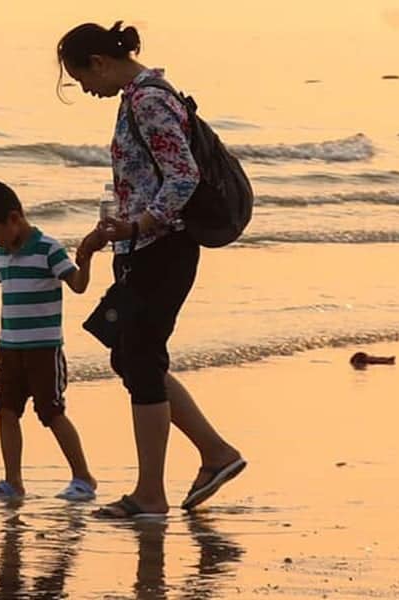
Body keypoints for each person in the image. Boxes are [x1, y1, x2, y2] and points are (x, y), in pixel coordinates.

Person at [56, 21, 246, 518]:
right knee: (131, 356)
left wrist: (140, 224)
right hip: (146, 246)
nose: (87, 91)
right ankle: (216, 454)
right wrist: (112, 230)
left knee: (140, 360)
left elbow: (184, 175)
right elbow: (145, 176)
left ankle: (150, 495)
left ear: (99, 62)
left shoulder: (148, 100)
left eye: (82, 80)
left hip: (165, 248)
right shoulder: (138, 98)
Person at [0, 178, 105, 500]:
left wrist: (85, 261)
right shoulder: (1, 253)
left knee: (52, 412)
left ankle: (83, 477)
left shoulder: (48, 248)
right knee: (6, 410)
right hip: (9, 347)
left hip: (43, 348)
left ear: (14, 218)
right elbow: (3, 278)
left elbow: (78, 285)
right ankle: (12, 481)